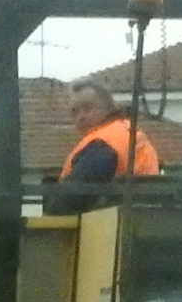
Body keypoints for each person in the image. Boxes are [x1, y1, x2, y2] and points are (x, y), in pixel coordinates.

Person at [55, 78, 160, 212]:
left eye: (88, 108)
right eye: (75, 112)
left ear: (109, 108)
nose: (81, 117)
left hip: (114, 222)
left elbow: (71, 197)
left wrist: (50, 214)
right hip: (139, 215)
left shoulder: (104, 143)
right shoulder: (126, 131)